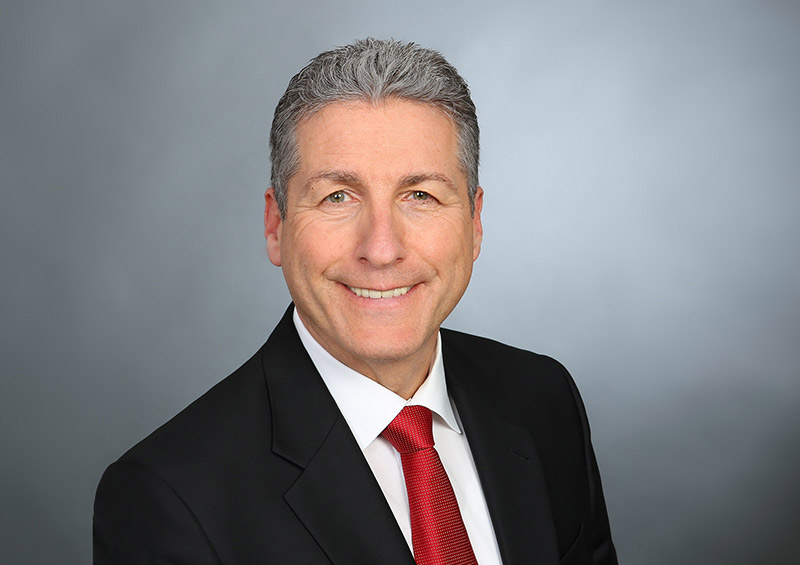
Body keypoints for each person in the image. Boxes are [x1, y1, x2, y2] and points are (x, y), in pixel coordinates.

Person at [93, 38, 618, 564]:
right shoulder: (169, 498)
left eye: (421, 195)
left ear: (474, 223)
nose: (382, 249)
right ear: (276, 226)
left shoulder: (544, 401)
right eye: (337, 197)